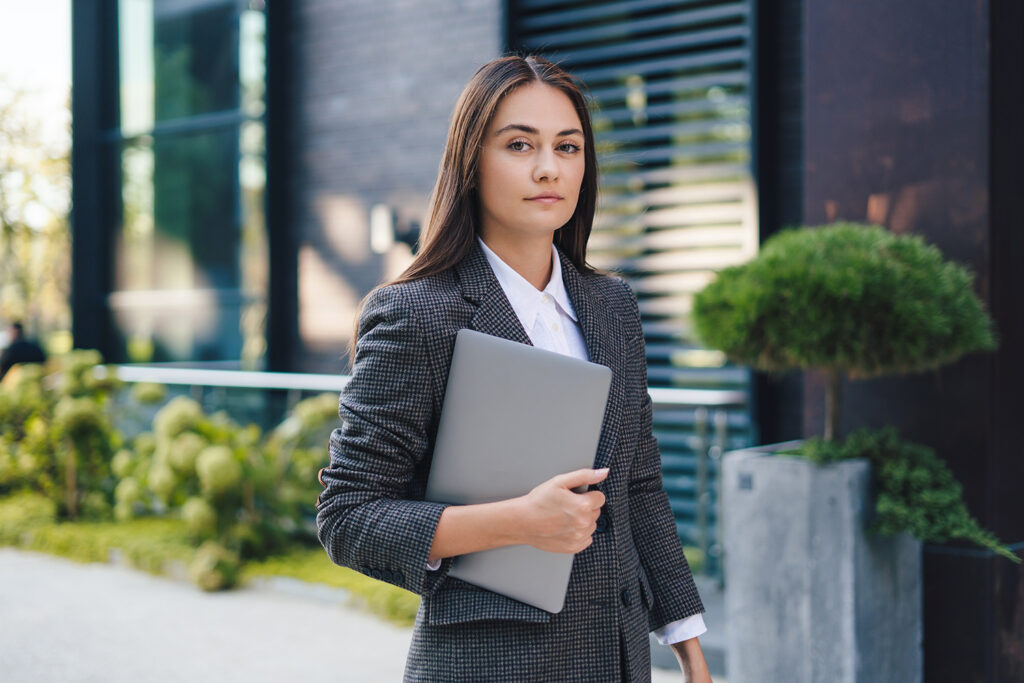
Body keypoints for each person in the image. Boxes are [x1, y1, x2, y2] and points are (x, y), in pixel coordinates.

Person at [316, 55, 711, 682]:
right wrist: (518, 523)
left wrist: (688, 643)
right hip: (491, 665)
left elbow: (638, 485)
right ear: (471, 162)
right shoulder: (418, 315)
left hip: (615, 659)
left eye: (568, 146)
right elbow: (349, 516)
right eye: (519, 144)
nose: (548, 167)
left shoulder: (612, 307)